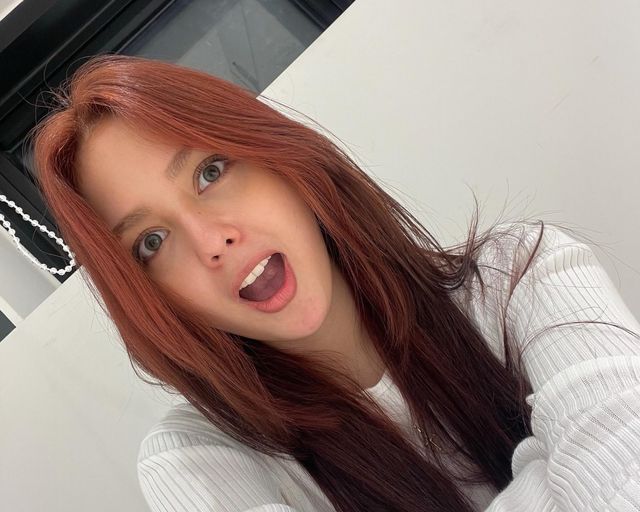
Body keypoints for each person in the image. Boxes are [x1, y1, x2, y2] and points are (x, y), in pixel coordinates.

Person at [30, 54, 640, 512]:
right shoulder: (199, 462)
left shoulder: (522, 272)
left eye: (210, 172)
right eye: (152, 242)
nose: (211, 241)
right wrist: (551, 471)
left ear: (281, 159)